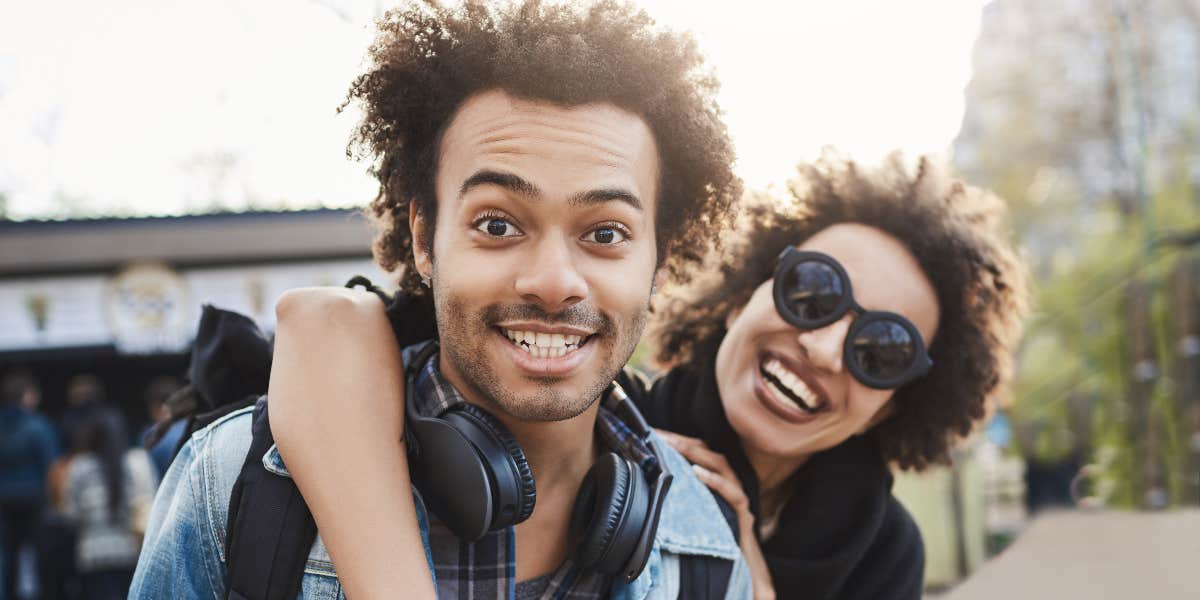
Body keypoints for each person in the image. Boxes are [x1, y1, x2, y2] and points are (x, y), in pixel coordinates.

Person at [130, 1, 749, 599]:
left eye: (605, 233)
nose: (554, 280)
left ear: (659, 261)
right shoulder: (232, 486)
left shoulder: (707, 553)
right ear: (425, 239)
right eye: (499, 225)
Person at [269, 154, 1030, 599]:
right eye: (813, 293)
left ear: (899, 404)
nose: (826, 349)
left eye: (883, 350)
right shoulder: (586, 407)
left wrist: (745, 577)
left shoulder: (886, 553)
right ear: (744, 292)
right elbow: (326, 324)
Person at [62, 405, 158, 600]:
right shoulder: (137, 461)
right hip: (131, 550)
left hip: (92, 553)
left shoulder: (80, 466)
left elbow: (71, 513)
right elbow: (150, 502)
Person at [0, 371, 60, 600]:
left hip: (4, 500)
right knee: (41, 555)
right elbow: (51, 466)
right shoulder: (38, 425)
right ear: (27, 397)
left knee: (9, 557)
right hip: (35, 499)